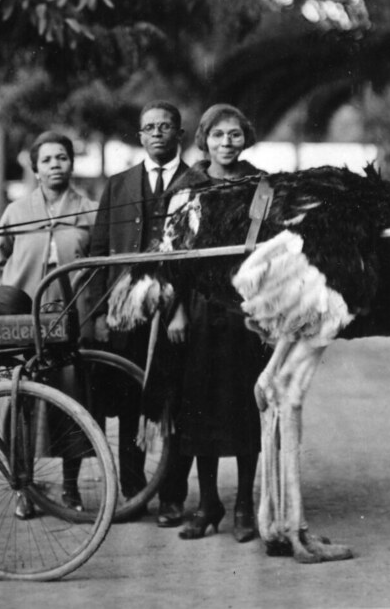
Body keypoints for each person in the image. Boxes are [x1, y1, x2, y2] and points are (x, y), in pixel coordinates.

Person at [164, 103, 272, 543]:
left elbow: (272, 248)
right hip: (201, 310)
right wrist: (176, 309)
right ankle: (208, 503)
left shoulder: (261, 185)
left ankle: (245, 503)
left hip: (247, 311)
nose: (226, 143)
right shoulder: (188, 186)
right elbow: (171, 251)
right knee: (201, 411)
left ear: (245, 138)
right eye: (217, 136)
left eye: (234, 135)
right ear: (203, 140)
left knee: (247, 410)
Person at [88, 100, 194, 526]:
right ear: (140, 136)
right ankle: (134, 492)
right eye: (149, 128)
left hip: (176, 311)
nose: (157, 134)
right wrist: (99, 311)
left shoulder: (196, 181)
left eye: (165, 127)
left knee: (175, 403)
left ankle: (171, 497)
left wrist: (182, 308)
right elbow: (97, 251)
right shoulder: (119, 185)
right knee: (130, 402)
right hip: (126, 312)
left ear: (179, 134)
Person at [0, 131, 98, 518]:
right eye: (47, 160)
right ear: (35, 169)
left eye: (62, 158)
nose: (55, 165)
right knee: (24, 403)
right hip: (26, 321)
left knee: (73, 403)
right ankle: (24, 487)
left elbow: (100, 262)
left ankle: (70, 488)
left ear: (71, 163)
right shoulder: (17, 212)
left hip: (72, 319)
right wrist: (21, 287)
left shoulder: (89, 210)